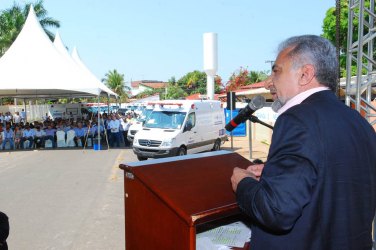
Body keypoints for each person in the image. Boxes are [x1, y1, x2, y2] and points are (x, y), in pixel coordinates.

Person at [230, 35, 376, 249]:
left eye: (277, 71)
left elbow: (277, 211)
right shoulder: (357, 121)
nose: (270, 81)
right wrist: (274, 172)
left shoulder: (296, 119)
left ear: (305, 74)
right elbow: (333, 182)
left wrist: (243, 182)